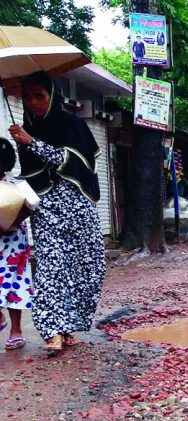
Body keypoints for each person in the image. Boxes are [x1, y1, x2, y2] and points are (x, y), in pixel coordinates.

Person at [8, 71, 105, 352]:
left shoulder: (72, 124)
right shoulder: (27, 129)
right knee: (51, 268)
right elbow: (29, 172)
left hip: (78, 205)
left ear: (53, 96)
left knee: (85, 266)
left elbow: (73, 160)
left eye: (39, 96)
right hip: (47, 207)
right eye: (27, 97)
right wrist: (23, 143)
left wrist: (31, 143)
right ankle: (51, 331)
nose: (33, 102)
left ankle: (68, 326)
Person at [0, 139, 34, 351]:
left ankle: (16, 330)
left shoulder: (17, 184)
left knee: (14, 282)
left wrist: (11, 221)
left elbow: (30, 207)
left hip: (12, 240)